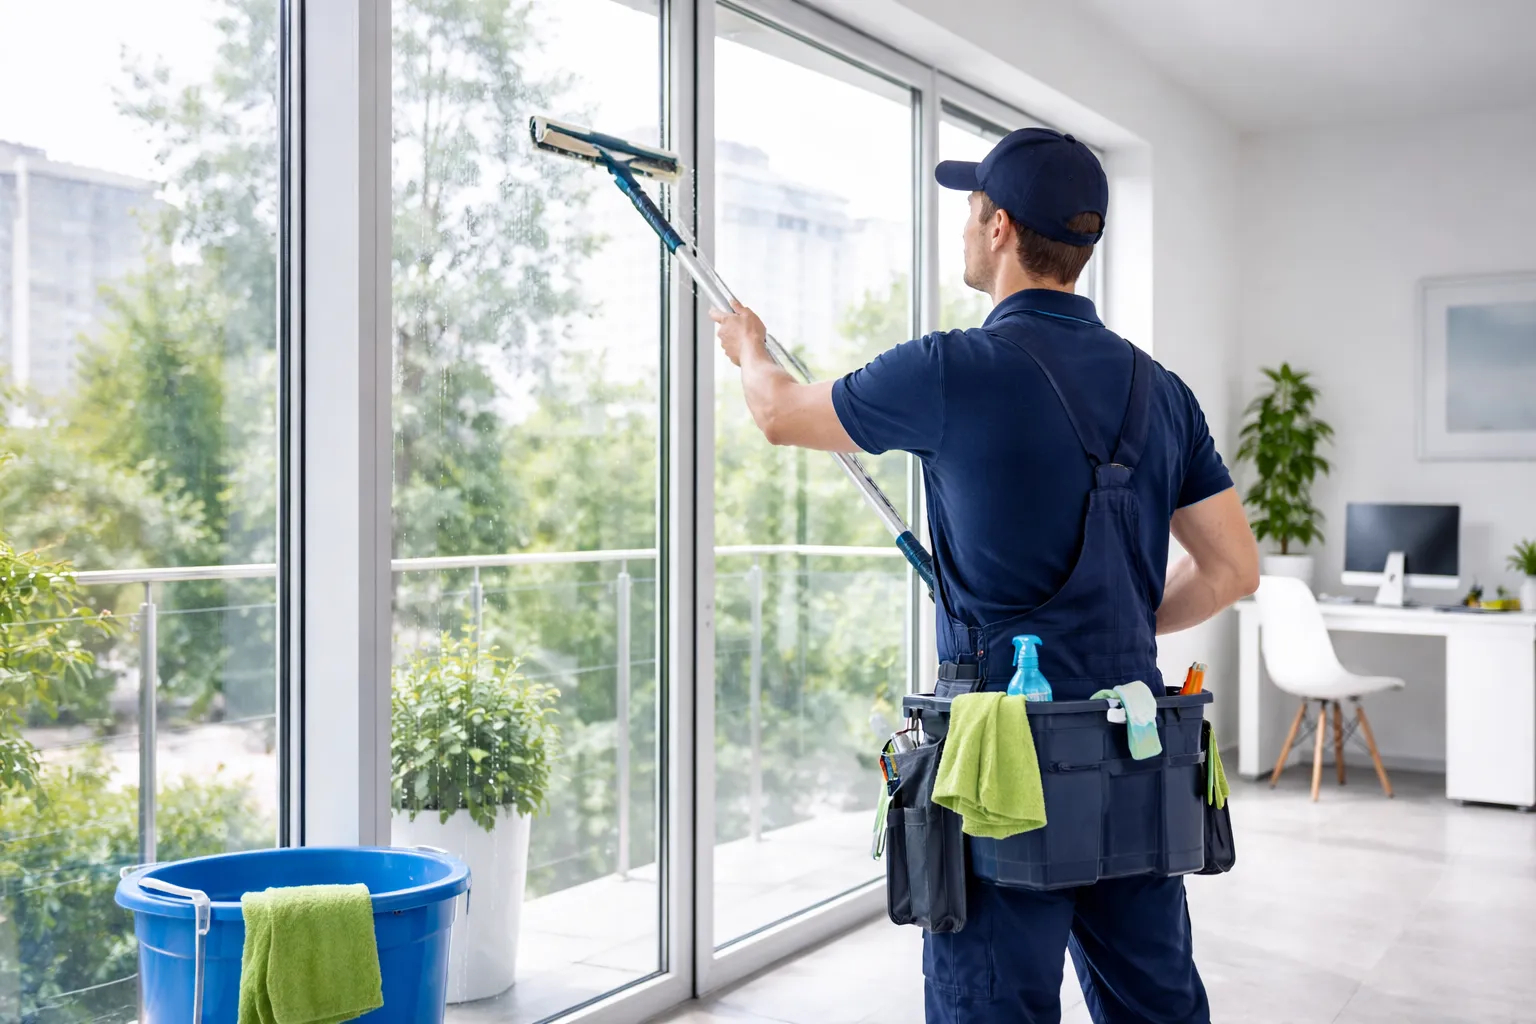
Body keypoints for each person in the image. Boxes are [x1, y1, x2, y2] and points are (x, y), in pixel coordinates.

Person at [711, 126, 1259, 1023]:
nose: (967, 228)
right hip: (1134, 748)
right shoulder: (1162, 392)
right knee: (1156, 1004)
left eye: (971, 211)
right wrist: (1121, 623)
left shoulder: (950, 368)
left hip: (1004, 764)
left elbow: (778, 416)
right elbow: (1234, 569)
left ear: (1000, 227)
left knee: (992, 1007)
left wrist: (749, 347)